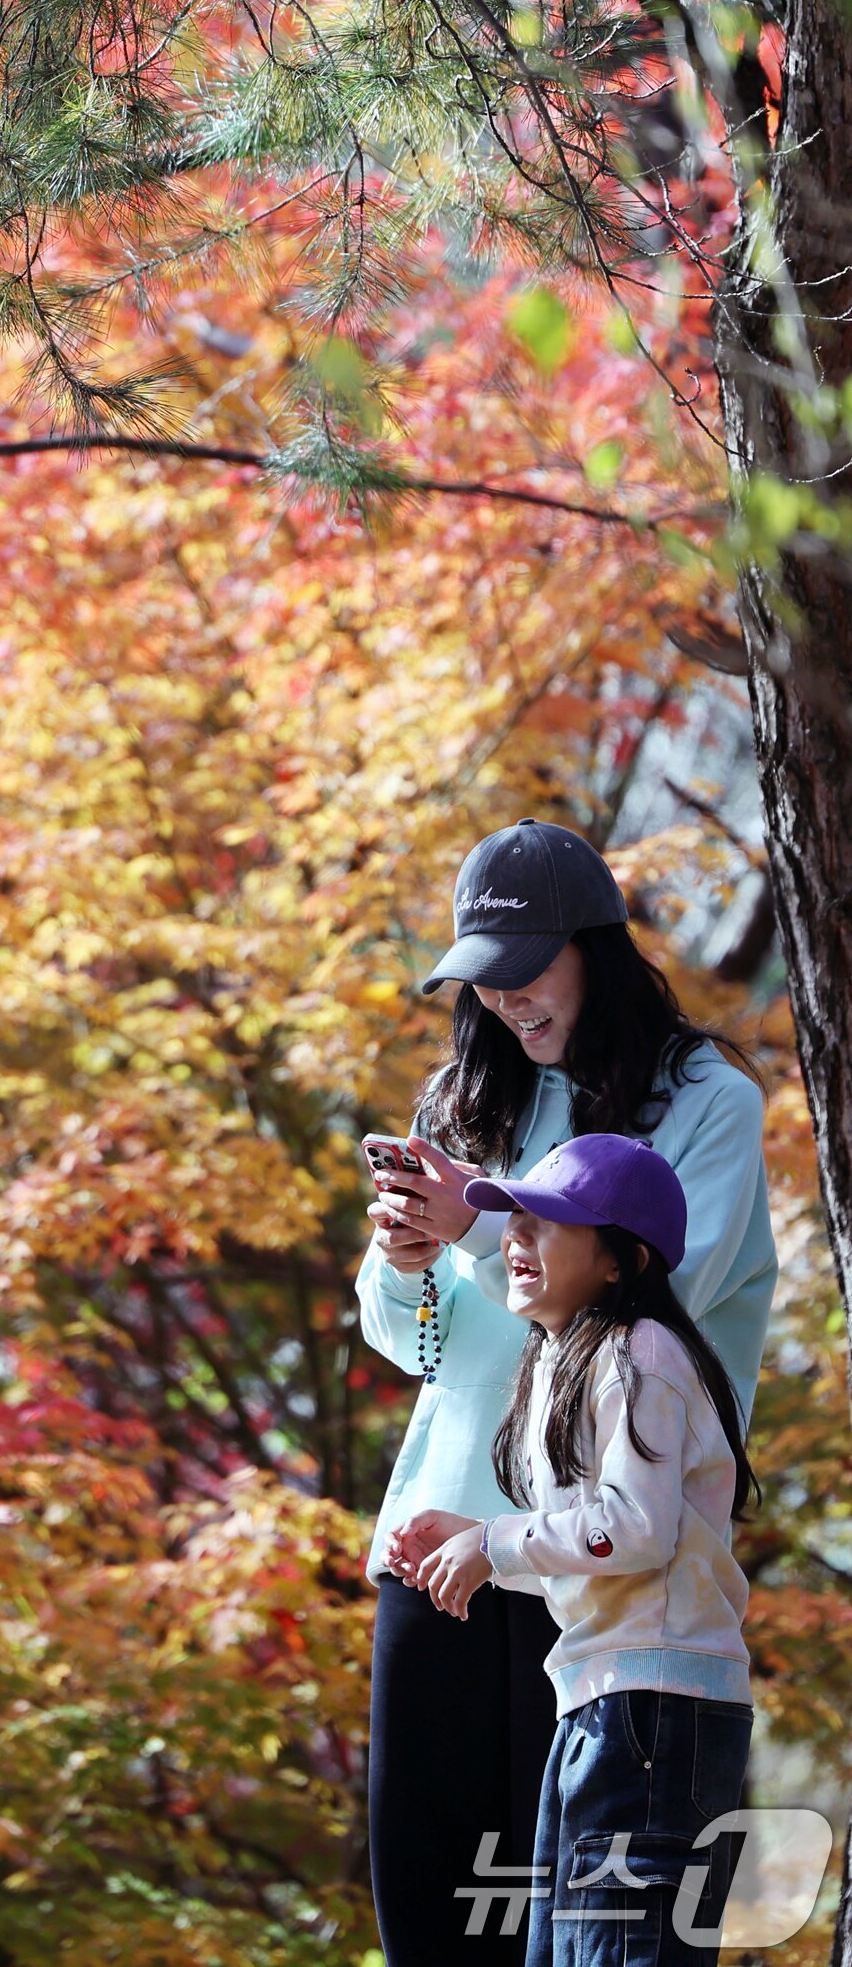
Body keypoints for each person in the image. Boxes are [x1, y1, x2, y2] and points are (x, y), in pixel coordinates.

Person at [357, 818, 776, 1967]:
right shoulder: (462, 1098)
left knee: (588, 1932)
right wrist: (406, 1264)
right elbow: (412, 1348)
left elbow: (645, 1310)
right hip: (444, 1533)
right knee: (440, 1911)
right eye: (481, 982)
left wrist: (478, 1234)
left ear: (595, 944)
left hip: (608, 1559)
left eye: (525, 971)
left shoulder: (705, 1101)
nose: (505, 1003)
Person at [390, 1135, 758, 1967]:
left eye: (548, 1223)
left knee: (618, 1951)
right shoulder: (561, 1359)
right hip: (603, 1698)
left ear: (622, 1261)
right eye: (513, 1219)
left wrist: (495, 1543)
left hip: (656, 1706)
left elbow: (635, 1527)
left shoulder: (641, 1353)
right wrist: (467, 1533)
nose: (516, 1238)